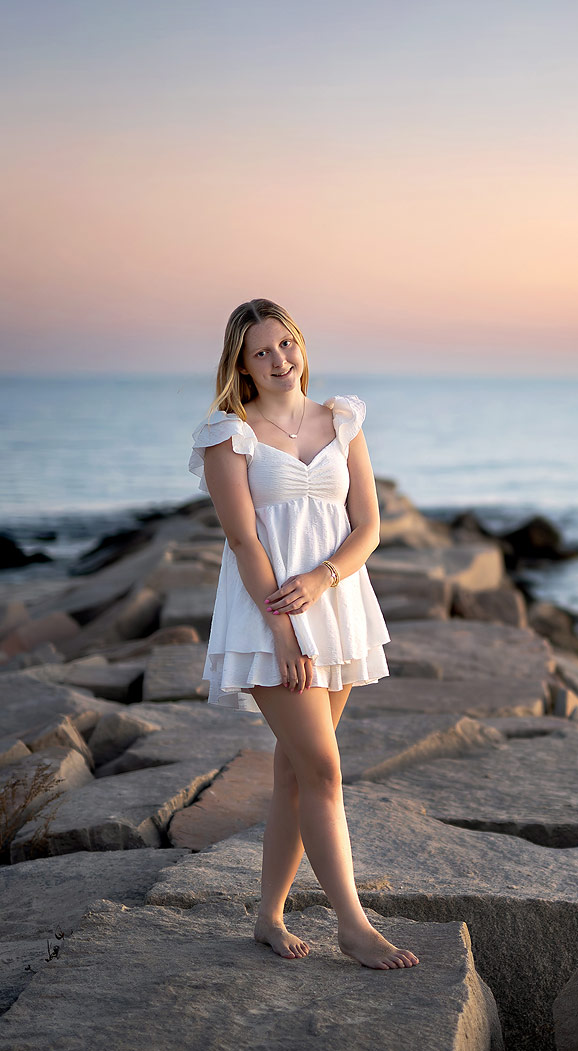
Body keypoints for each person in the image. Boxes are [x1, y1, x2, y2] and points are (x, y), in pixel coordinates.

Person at [188, 298, 419, 971]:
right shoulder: (229, 435)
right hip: (269, 619)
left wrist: (323, 579)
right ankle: (353, 925)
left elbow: (368, 527)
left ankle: (268, 916)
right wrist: (283, 632)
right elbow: (244, 540)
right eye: (261, 351)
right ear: (242, 365)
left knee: (295, 770)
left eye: (286, 343)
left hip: (337, 606)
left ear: (300, 345)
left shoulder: (342, 420)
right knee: (323, 768)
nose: (279, 359)